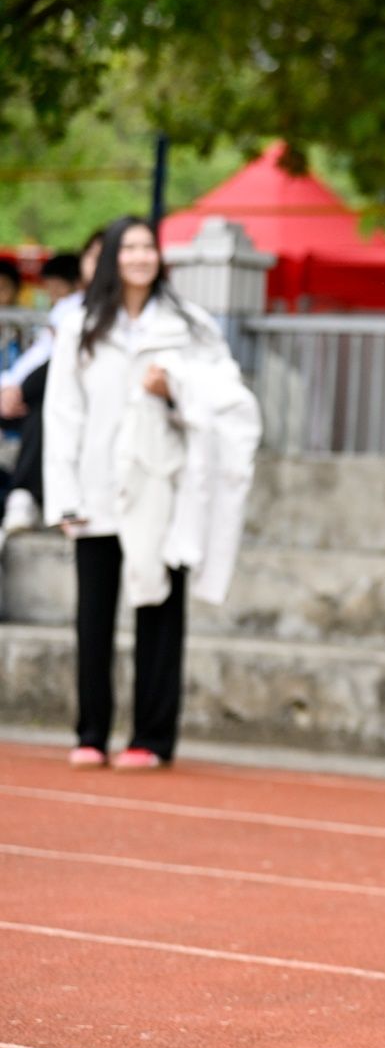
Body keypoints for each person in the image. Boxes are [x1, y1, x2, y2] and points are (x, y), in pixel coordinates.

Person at [43, 216, 259, 771]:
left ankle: (152, 738)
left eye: (148, 248)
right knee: (94, 615)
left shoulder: (189, 324)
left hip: (164, 486)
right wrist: (63, 495)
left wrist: (174, 391)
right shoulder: (80, 324)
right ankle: (91, 732)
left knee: (160, 612)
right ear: (111, 256)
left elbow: (226, 396)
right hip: (96, 487)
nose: (140, 257)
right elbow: (63, 413)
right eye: (129, 248)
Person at [3, 241, 96, 539]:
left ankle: (24, 496)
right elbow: (39, 356)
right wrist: (11, 388)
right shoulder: (66, 310)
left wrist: (15, 389)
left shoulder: (77, 308)